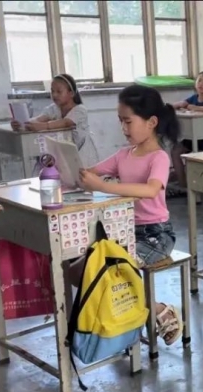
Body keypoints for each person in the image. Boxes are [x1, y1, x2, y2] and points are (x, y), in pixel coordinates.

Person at [70, 84, 184, 346]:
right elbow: (91, 172)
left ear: (151, 122)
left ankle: (158, 310)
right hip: (124, 233)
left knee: (108, 271)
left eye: (128, 121)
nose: (123, 128)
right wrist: (71, 169)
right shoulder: (124, 155)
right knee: (76, 270)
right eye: (120, 121)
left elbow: (151, 189)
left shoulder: (159, 157)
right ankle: (132, 314)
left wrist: (103, 186)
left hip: (156, 236)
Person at [12, 73, 100, 166]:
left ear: (71, 93)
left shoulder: (80, 110)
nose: (54, 95)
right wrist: (22, 124)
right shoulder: (53, 109)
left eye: (59, 91)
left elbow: (65, 123)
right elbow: (39, 119)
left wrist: (42, 126)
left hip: (83, 156)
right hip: (63, 155)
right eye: (52, 91)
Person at [170, 71, 203, 189]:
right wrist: (169, 107)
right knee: (175, 151)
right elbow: (182, 104)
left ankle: (201, 185)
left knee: (197, 157)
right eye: (199, 80)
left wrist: (197, 108)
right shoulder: (193, 98)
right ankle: (183, 185)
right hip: (193, 137)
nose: (201, 84)